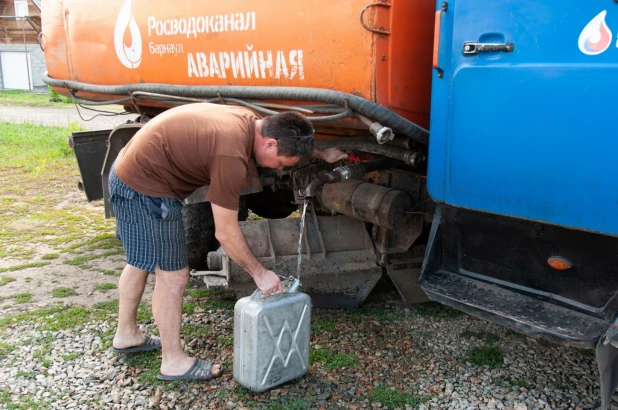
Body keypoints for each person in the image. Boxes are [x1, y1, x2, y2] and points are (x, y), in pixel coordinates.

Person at [108, 103, 347, 381]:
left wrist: (321, 152)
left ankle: (127, 335)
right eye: (281, 164)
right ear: (269, 144)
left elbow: (290, 140)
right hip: (147, 189)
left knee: (138, 262)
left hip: (127, 174)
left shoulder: (254, 122)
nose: (279, 169)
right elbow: (226, 232)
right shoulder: (230, 156)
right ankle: (173, 362)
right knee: (174, 276)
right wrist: (260, 274)